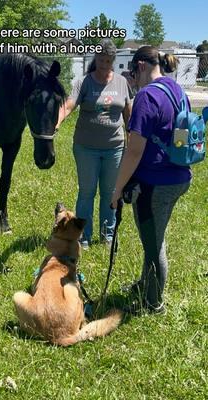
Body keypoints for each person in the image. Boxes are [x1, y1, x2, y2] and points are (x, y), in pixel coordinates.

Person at [111, 46, 192, 314]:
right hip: (179, 174)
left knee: (154, 244)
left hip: (155, 183)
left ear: (142, 66)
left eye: (133, 72)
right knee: (153, 236)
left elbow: (134, 150)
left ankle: (153, 303)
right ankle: (144, 284)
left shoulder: (147, 96)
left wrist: (117, 188)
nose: (133, 79)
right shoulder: (176, 90)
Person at [57, 39, 132, 249]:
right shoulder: (84, 82)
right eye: (100, 60)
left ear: (113, 61)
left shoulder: (121, 83)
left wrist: (132, 136)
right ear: (95, 59)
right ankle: (84, 235)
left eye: (108, 61)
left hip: (115, 147)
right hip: (86, 147)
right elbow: (70, 104)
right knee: (87, 191)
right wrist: (58, 119)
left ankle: (108, 234)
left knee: (110, 192)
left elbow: (128, 113)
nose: (104, 65)